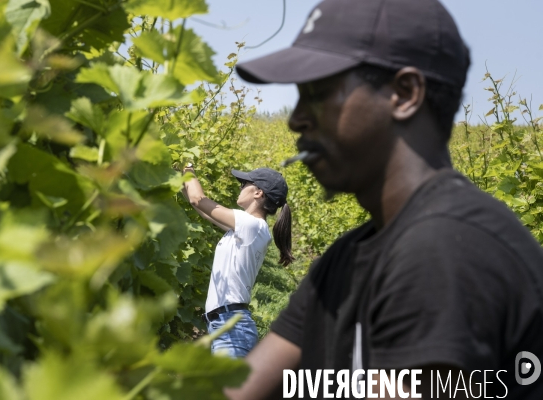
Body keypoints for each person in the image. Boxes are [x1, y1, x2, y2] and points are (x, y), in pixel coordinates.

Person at [225, 0, 543, 398]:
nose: (296, 118)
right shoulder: (347, 258)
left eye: (319, 93)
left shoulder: (446, 247)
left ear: (405, 94)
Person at [182, 165, 294, 358]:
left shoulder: (251, 225)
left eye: (244, 183)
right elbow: (200, 207)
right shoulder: (246, 227)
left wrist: (188, 168)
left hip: (231, 330)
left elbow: (198, 198)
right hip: (226, 326)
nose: (240, 187)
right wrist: (180, 179)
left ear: (258, 192)